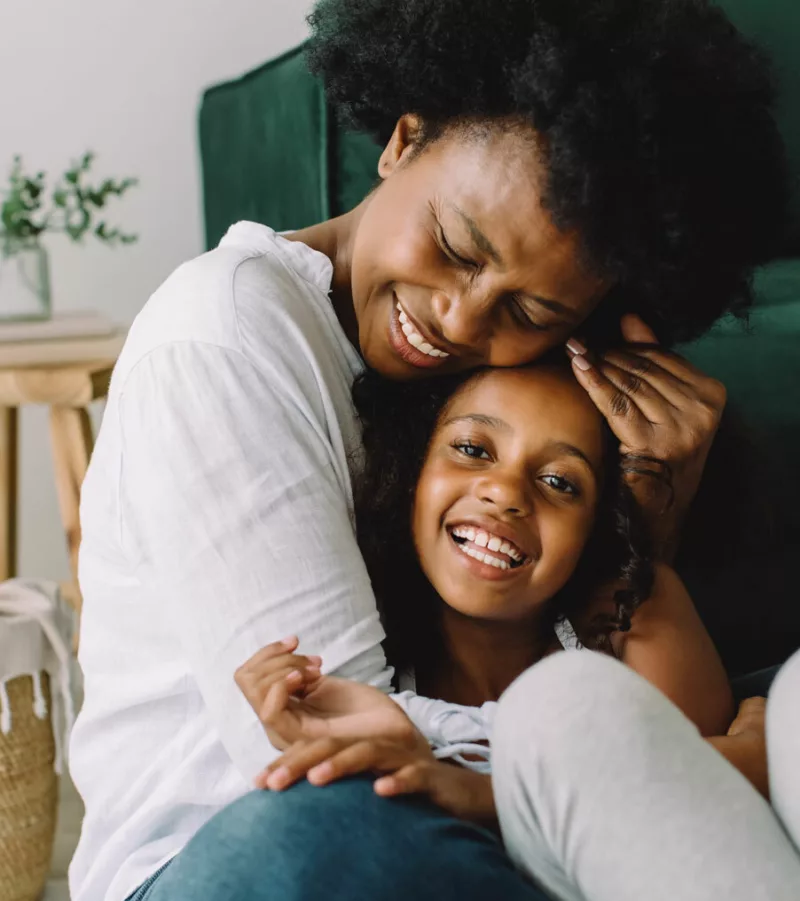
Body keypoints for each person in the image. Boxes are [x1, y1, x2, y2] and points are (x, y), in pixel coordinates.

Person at [67, 1, 789, 900]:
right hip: (248, 848)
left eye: (529, 312)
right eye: (454, 247)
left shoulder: (474, 387)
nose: (457, 319)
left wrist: (643, 519)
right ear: (403, 140)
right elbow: (347, 747)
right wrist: (717, 763)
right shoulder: (225, 334)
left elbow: (581, 670)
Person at [235, 362, 800, 901]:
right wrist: (750, 752)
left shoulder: (626, 615)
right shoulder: (371, 655)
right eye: (473, 450)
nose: (505, 492)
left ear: (597, 529)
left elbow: (693, 815)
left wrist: (754, 758)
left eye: (560, 481)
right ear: (411, 470)